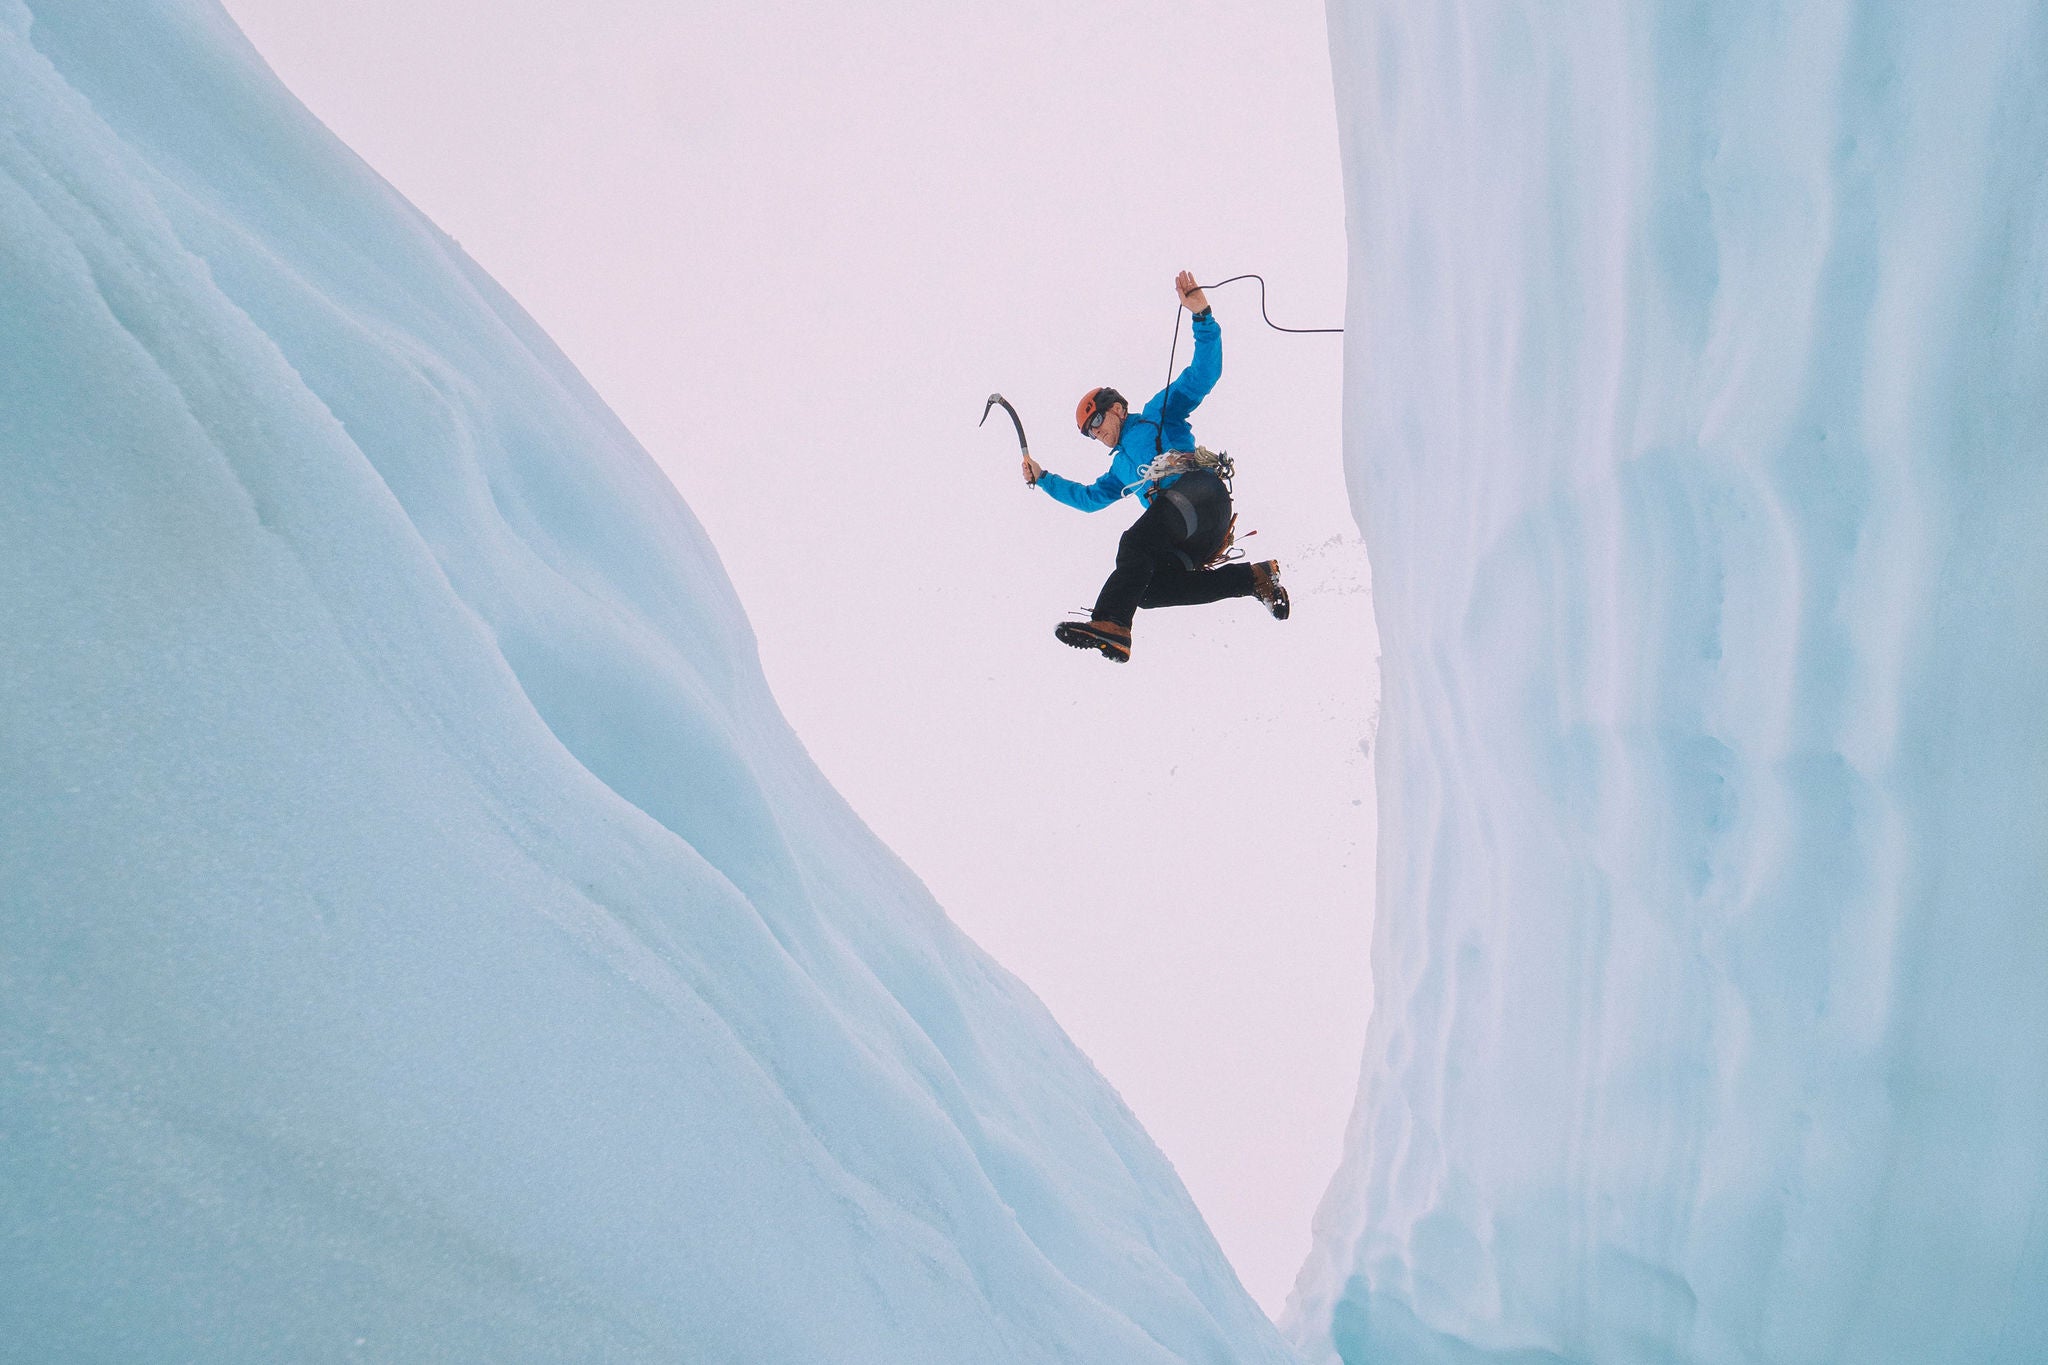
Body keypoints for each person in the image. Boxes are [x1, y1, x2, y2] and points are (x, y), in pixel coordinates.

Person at [1024, 270, 1289, 663]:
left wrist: (1202, 316)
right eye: (1087, 433)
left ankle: (1111, 623)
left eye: (1096, 421)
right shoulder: (1119, 475)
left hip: (1201, 495)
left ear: (1116, 408)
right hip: (1191, 535)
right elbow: (1087, 499)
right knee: (1148, 590)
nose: (1095, 433)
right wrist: (1043, 479)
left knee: (1134, 544)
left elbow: (1202, 375)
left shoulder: (1155, 415)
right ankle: (1254, 578)